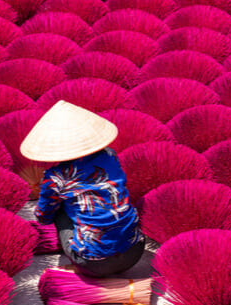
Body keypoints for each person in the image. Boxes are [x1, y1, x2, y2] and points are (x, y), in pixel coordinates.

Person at [20, 100, 144, 277]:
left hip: (93, 263)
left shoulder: (56, 177)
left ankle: (80, 248)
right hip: (135, 250)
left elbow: (43, 217)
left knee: (59, 208)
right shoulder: (110, 155)